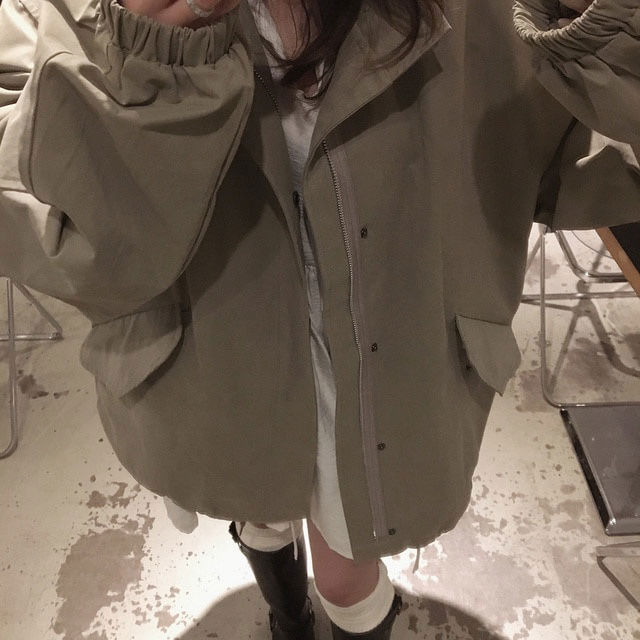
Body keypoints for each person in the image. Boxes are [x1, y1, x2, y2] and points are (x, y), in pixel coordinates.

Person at [0, 0, 638, 637]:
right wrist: (153, 70)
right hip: (212, 361)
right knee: (259, 508)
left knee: (347, 567)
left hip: (391, 360)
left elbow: (589, 166)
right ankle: (287, 615)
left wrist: (598, 29)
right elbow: (51, 227)